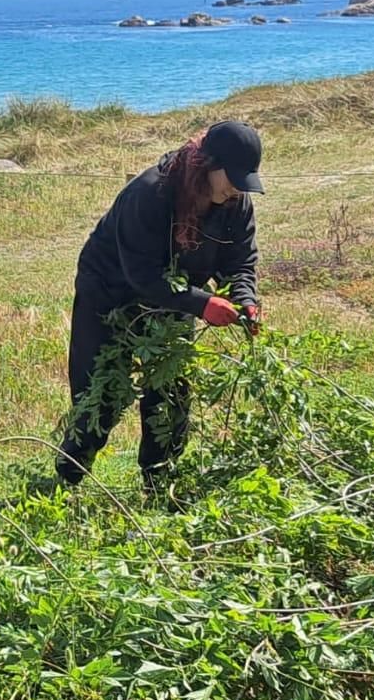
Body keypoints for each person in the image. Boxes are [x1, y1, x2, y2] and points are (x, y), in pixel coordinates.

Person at [54, 120, 265, 489]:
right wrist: (203, 305)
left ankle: (159, 483)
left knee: (170, 395)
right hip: (109, 294)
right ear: (207, 164)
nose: (236, 188)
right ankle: (68, 482)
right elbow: (142, 275)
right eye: (231, 177)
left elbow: (241, 262)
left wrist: (244, 299)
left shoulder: (235, 204)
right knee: (100, 394)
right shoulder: (151, 193)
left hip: (174, 300)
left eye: (242, 180)